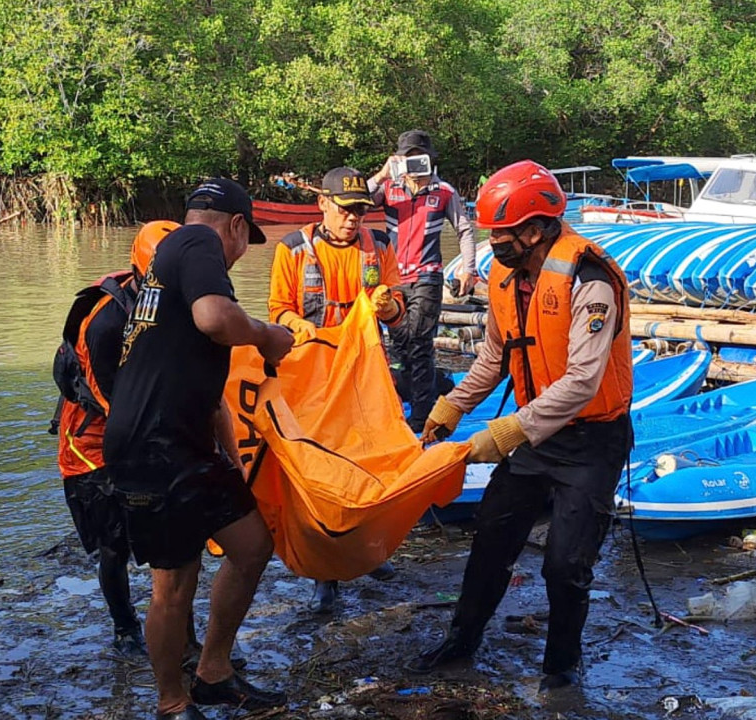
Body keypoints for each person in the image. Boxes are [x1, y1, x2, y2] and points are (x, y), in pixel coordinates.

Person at [411, 160, 635, 691]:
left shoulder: (589, 281)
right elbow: (494, 356)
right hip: (538, 437)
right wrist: (451, 409)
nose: (492, 243)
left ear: (534, 230)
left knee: (565, 564)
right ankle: (461, 639)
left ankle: (560, 668)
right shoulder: (505, 278)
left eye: (500, 234)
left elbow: (582, 382)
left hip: (591, 442)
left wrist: (506, 433)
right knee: (491, 537)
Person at [104, 178, 295, 720]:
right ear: (235, 226)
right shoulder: (196, 242)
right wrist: (266, 335)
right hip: (151, 447)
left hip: (188, 444)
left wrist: (233, 459)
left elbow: (202, 382)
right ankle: (172, 702)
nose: (238, 256)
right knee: (174, 582)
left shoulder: (171, 264)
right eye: (245, 242)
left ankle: (213, 673)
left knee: (252, 546)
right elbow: (215, 319)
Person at [266, 166, 406, 613]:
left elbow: (399, 313)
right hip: (314, 379)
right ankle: (324, 571)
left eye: (360, 211)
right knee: (319, 475)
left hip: (365, 376)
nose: (352, 219)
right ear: (323, 204)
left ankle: (370, 551)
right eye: (345, 210)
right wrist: (297, 324)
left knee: (372, 463)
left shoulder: (379, 245)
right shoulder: (293, 249)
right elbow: (278, 309)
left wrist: (388, 305)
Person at [52, 220, 178, 657]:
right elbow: (115, 403)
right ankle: (125, 628)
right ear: (143, 274)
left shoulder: (173, 303)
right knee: (114, 544)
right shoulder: (106, 324)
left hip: (145, 424)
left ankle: (180, 634)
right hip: (91, 443)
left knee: (171, 538)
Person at [368, 129, 477, 432]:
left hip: (427, 275)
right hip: (393, 278)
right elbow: (358, 204)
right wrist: (381, 174)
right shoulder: (388, 188)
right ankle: (434, 385)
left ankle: (420, 417)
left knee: (419, 342)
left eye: (420, 158)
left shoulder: (444, 192)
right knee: (398, 344)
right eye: (409, 158)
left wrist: (469, 269)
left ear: (430, 159)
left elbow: (464, 230)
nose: (415, 164)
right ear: (399, 160)